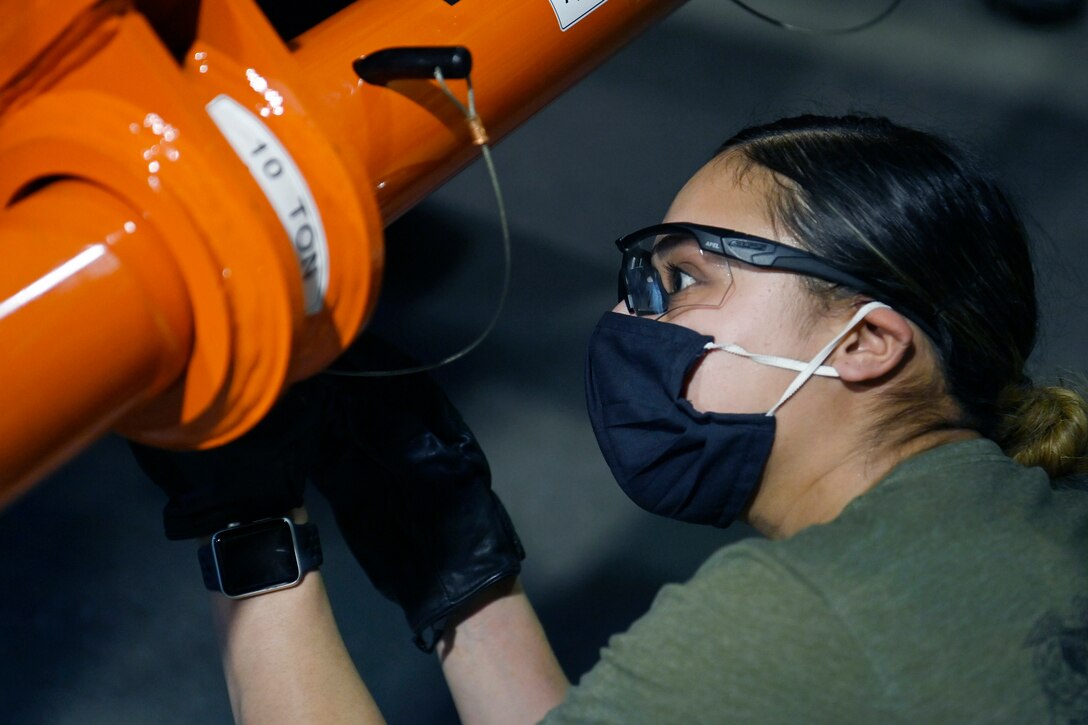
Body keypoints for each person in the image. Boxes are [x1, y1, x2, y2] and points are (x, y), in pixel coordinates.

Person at [132, 114, 1088, 723]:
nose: (629, 318)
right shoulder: (1021, 521)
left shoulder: (796, 622)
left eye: (683, 279)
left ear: (864, 343)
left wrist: (251, 535)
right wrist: (458, 576)